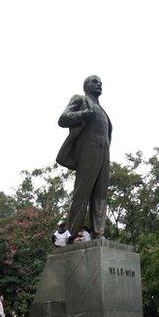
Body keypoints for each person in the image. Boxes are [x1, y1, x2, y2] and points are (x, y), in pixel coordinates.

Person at [56, 75, 111, 239]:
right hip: (88, 147)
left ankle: (98, 233)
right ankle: (72, 235)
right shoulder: (80, 99)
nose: (99, 84)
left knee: (101, 194)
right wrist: (84, 114)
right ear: (86, 86)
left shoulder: (102, 109)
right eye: (95, 82)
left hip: (104, 149)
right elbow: (63, 119)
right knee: (82, 192)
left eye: (101, 82)